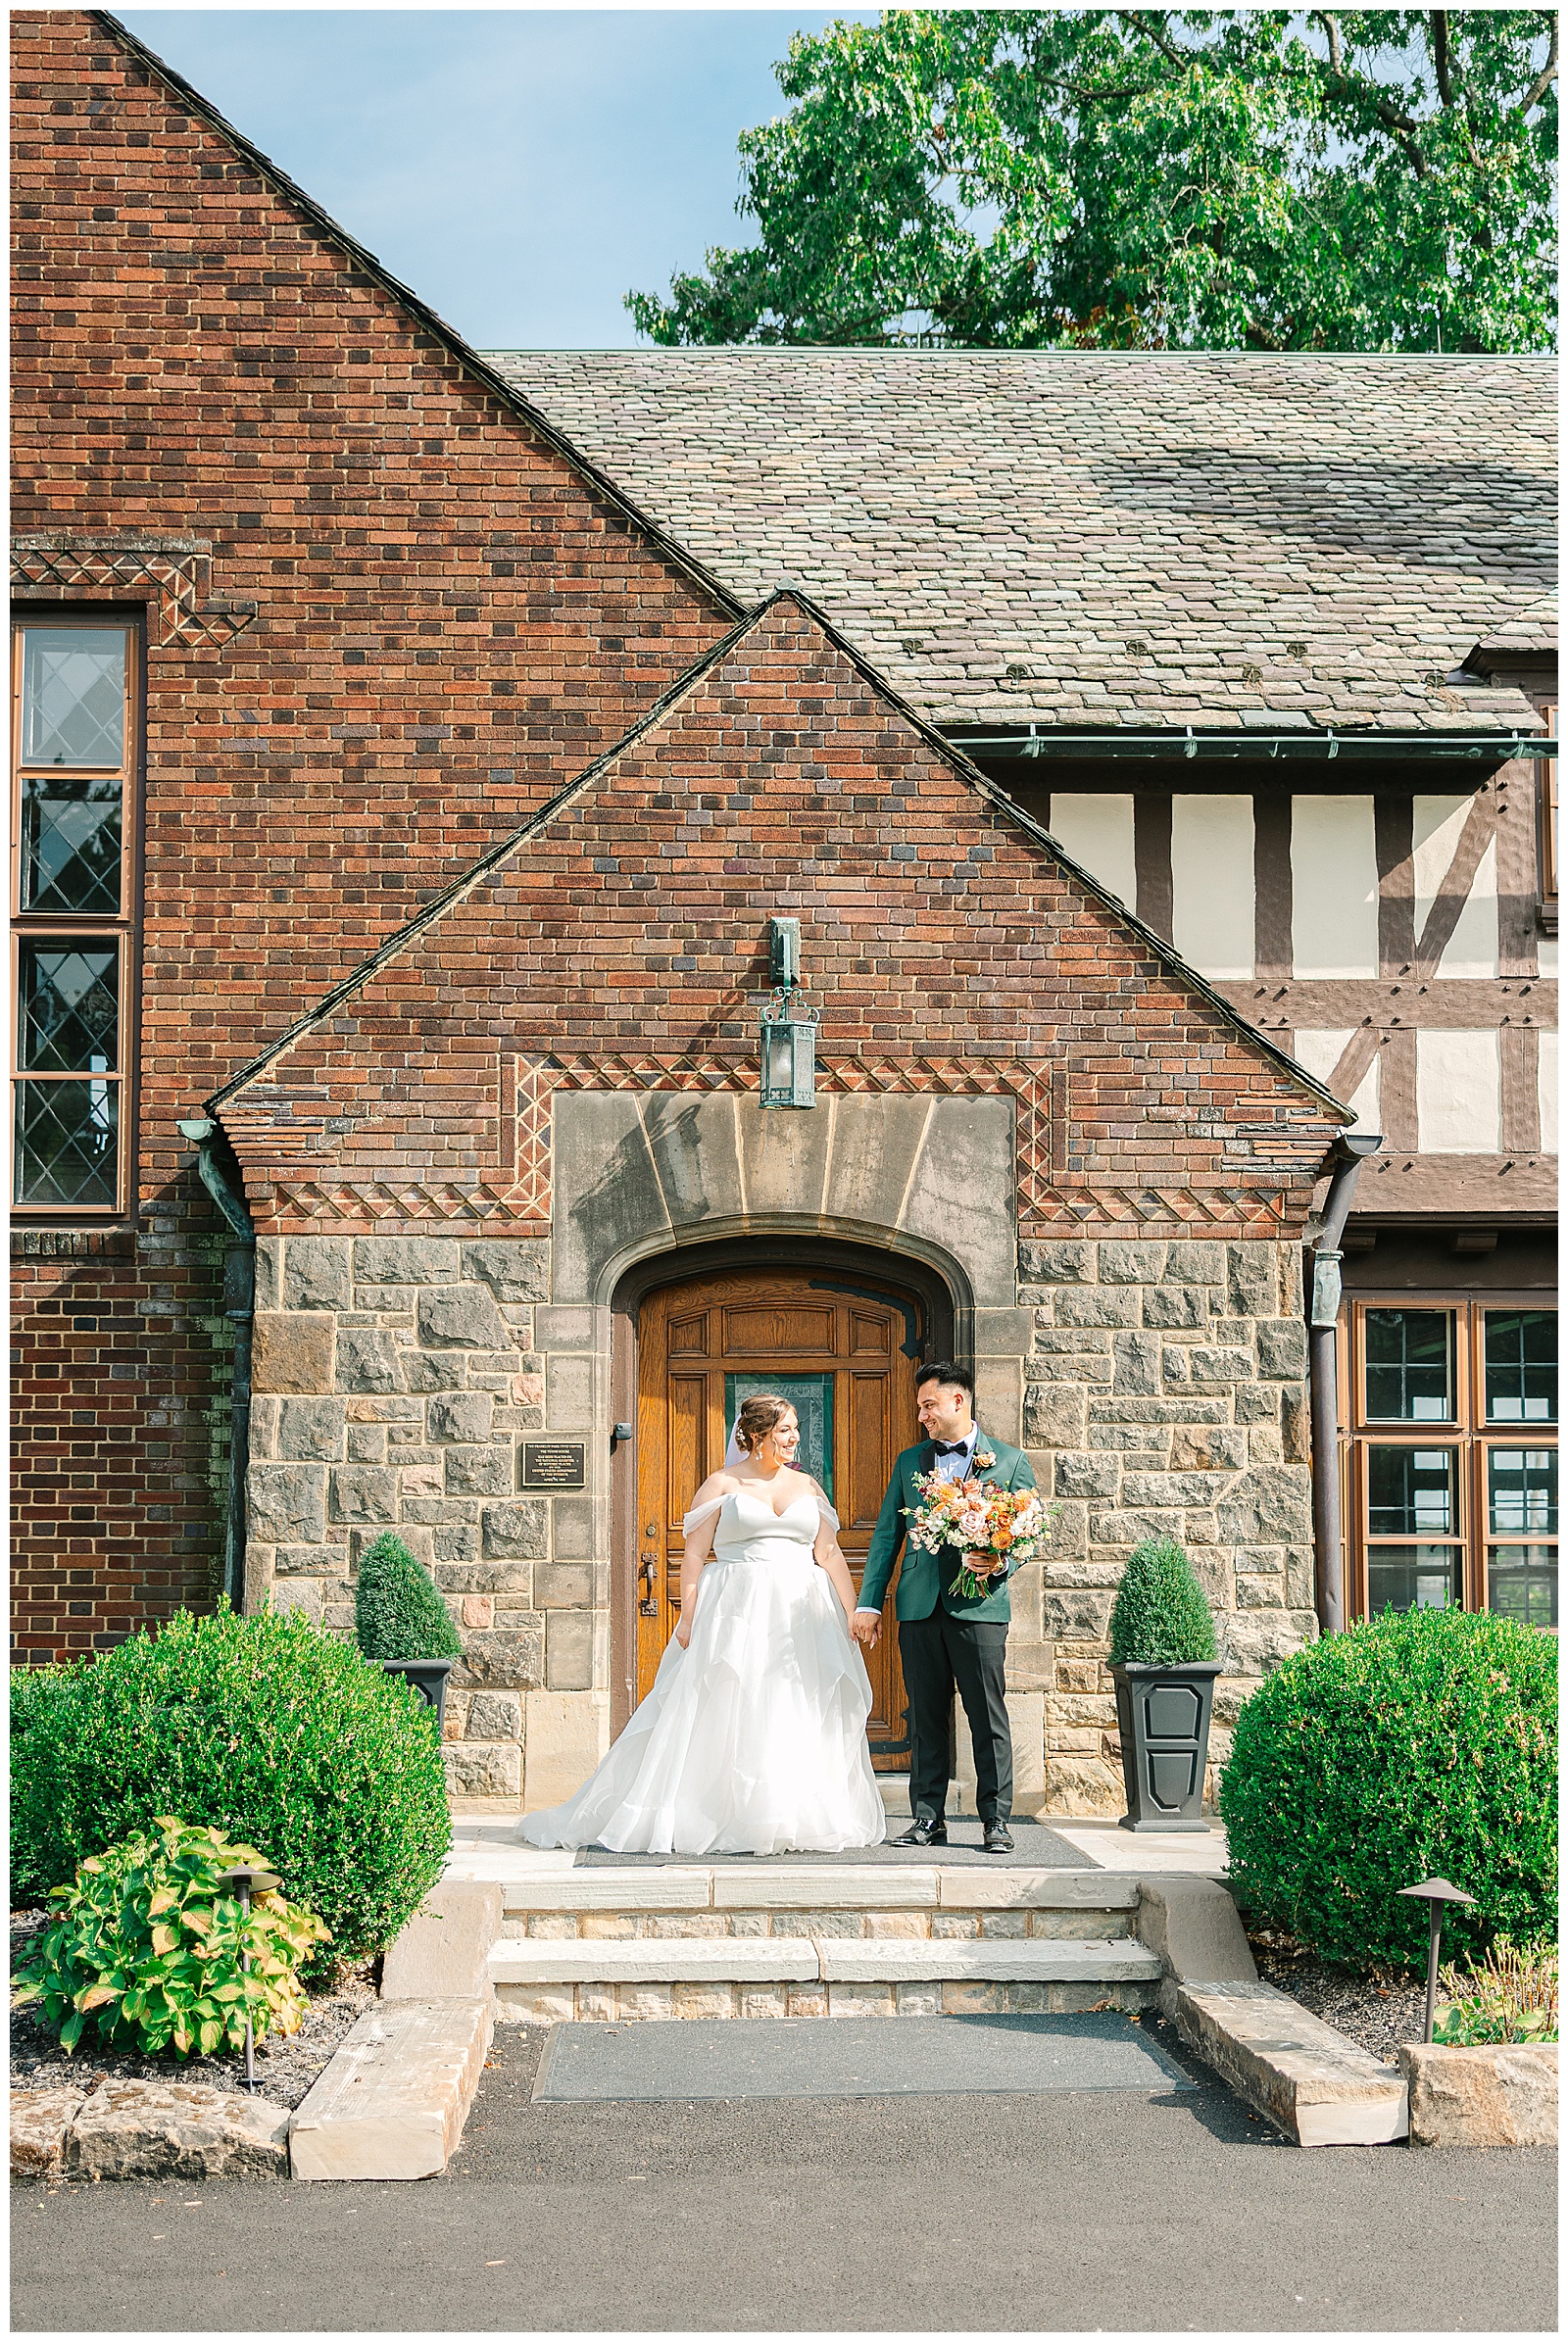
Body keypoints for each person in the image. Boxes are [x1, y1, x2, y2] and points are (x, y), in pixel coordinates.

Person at [520, 1392, 886, 1856]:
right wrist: (688, 1616)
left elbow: (829, 1553)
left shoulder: (809, 1486)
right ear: (756, 1436)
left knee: (793, 1703)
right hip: (737, 1607)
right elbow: (694, 1554)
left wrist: (852, 1611)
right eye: (784, 1430)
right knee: (734, 1702)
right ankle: (718, 1811)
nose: (794, 1438)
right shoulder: (720, 1484)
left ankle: (791, 1812)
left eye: (795, 1429)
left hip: (801, 1612)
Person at [852, 1360, 1036, 1854]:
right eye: (920, 1407)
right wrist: (869, 1602)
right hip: (918, 1606)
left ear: (960, 1401)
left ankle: (995, 1821)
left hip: (979, 1607)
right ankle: (927, 1819)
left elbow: (1028, 1534)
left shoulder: (1010, 1461)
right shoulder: (910, 1462)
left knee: (987, 1717)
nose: (922, 1416)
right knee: (926, 1717)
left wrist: (996, 1561)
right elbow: (888, 1535)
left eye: (929, 1405)